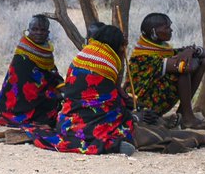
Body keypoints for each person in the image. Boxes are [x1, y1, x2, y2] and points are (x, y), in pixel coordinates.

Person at [25, 24, 135, 155]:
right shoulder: (107, 62)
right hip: (91, 128)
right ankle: (112, 145)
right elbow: (110, 100)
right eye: (122, 46)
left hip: (65, 124)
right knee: (124, 116)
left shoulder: (84, 53)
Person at [126, 12, 205, 128]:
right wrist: (190, 53)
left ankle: (183, 114)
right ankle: (187, 117)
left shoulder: (160, 49)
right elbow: (185, 67)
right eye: (166, 27)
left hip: (154, 98)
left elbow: (204, 54)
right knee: (182, 72)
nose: (171, 30)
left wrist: (192, 51)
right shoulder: (143, 57)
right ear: (154, 32)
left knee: (202, 62)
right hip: (142, 104)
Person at [0, 15, 63, 127]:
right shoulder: (22, 56)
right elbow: (24, 87)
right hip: (20, 102)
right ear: (28, 31)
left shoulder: (46, 50)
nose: (39, 33)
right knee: (52, 107)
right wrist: (52, 95)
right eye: (35, 29)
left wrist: (60, 86)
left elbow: (51, 72)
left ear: (48, 32)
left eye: (42, 30)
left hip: (39, 94)